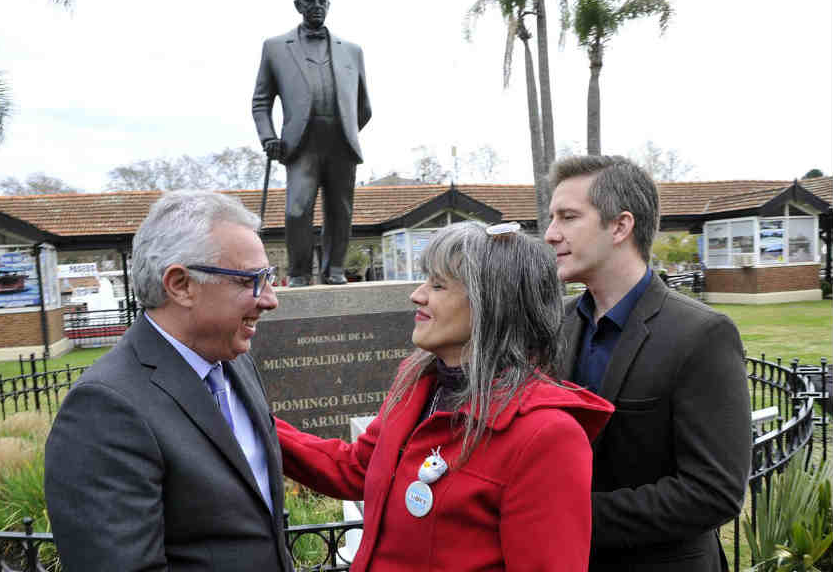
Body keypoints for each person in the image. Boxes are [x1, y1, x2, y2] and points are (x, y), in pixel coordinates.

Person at [276, 221, 614, 571]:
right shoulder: (418, 385)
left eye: (438, 285)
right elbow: (356, 467)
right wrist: (248, 421)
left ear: (492, 304)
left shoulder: (546, 435)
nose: (417, 295)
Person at [44, 191, 292, 572]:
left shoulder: (236, 364)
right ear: (180, 285)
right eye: (252, 281)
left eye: (269, 278)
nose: (271, 299)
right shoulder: (105, 409)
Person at [544, 155, 751, 572]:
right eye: (552, 218)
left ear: (620, 226)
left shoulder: (702, 335)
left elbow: (714, 491)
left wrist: (568, 516)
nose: (550, 234)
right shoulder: (554, 325)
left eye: (568, 217)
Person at [252, 0, 371, 287]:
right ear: (297, 5)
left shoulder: (353, 51)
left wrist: (345, 129)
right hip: (301, 146)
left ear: (328, 4)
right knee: (296, 210)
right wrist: (269, 138)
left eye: (322, 1)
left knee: (340, 211)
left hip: (341, 143)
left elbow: (364, 106)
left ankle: (334, 269)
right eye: (309, 1)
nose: (316, 6)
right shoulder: (275, 48)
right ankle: (299, 273)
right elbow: (261, 102)